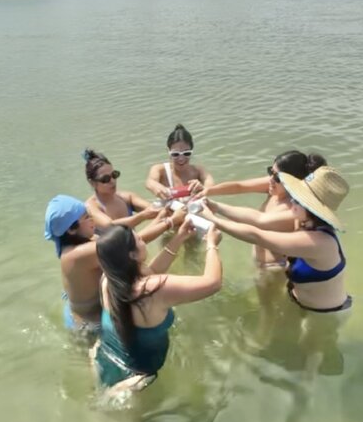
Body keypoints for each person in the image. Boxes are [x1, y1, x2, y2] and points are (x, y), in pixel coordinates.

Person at [200, 166, 350, 313]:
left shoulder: (320, 242)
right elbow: (258, 219)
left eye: (299, 199)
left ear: (313, 209)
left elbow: (256, 235)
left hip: (324, 315)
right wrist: (216, 207)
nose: (292, 201)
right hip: (299, 302)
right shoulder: (305, 220)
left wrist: (214, 220)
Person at [94, 220, 223, 390]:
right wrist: (212, 244)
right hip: (136, 380)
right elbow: (213, 283)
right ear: (132, 256)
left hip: (105, 359)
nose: (143, 242)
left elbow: (151, 273)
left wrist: (179, 238)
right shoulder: (153, 290)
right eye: (140, 240)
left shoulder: (109, 279)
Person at [44, 195, 182, 334]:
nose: (92, 220)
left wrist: (161, 218)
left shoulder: (85, 244)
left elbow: (132, 238)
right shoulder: (80, 254)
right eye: (86, 217)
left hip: (84, 308)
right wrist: (170, 222)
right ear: (71, 229)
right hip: (89, 323)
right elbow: (132, 243)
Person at [203, 151, 327, 268]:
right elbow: (240, 186)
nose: (271, 180)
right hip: (259, 261)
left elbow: (259, 220)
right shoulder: (274, 186)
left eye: (278, 177)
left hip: (275, 267)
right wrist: (207, 191)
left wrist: (215, 208)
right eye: (271, 172)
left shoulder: (295, 209)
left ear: (293, 181)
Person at [83, 148, 159, 230]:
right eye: (105, 179)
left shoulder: (126, 198)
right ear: (92, 183)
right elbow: (111, 226)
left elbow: (152, 209)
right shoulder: (90, 207)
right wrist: (143, 216)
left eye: (114, 175)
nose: (112, 181)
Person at [146, 124, 213, 200]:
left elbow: (210, 184)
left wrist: (202, 188)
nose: (181, 159)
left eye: (186, 153)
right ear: (168, 152)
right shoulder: (160, 170)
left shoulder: (198, 171)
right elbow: (150, 182)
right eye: (175, 154)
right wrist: (155, 186)